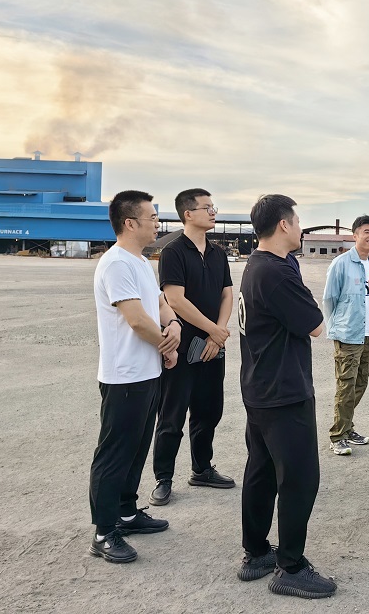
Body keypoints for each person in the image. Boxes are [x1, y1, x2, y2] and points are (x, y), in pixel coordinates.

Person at [236, 194, 336, 598]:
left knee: (261, 471)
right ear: (283, 225)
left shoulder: (259, 264)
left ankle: (257, 552)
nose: (300, 227)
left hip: (260, 386)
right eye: (296, 221)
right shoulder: (276, 273)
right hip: (283, 391)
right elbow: (315, 324)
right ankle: (290, 567)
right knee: (299, 478)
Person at [88, 191, 180, 563]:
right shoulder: (115, 263)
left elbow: (158, 304)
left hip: (147, 372)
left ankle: (126, 512)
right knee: (114, 454)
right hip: (124, 376)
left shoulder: (140, 262)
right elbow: (137, 320)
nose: (157, 224)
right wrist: (168, 345)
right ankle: (103, 532)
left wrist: (174, 323)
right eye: (152, 218)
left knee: (137, 447)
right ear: (130, 223)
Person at [149, 189, 234, 506]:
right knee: (171, 416)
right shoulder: (173, 252)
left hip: (213, 348)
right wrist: (213, 330)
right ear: (188, 214)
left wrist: (217, 335)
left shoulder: (218, 253)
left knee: (209, 412)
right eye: (207, 207)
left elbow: (227, 294)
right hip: (182, 349)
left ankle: (202, 469)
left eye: (214, 207)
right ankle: (163, 479)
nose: (213, 212)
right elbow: (175, 299)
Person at [322, 215, 369, 456]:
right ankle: (337, 436)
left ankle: (347, 428)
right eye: (366, 231)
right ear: (355, 235)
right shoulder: (341, 263)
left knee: (361, 383)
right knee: (345, 387)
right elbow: (329, 299)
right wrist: (335, 328)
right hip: (348, 334)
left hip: (368, 334)